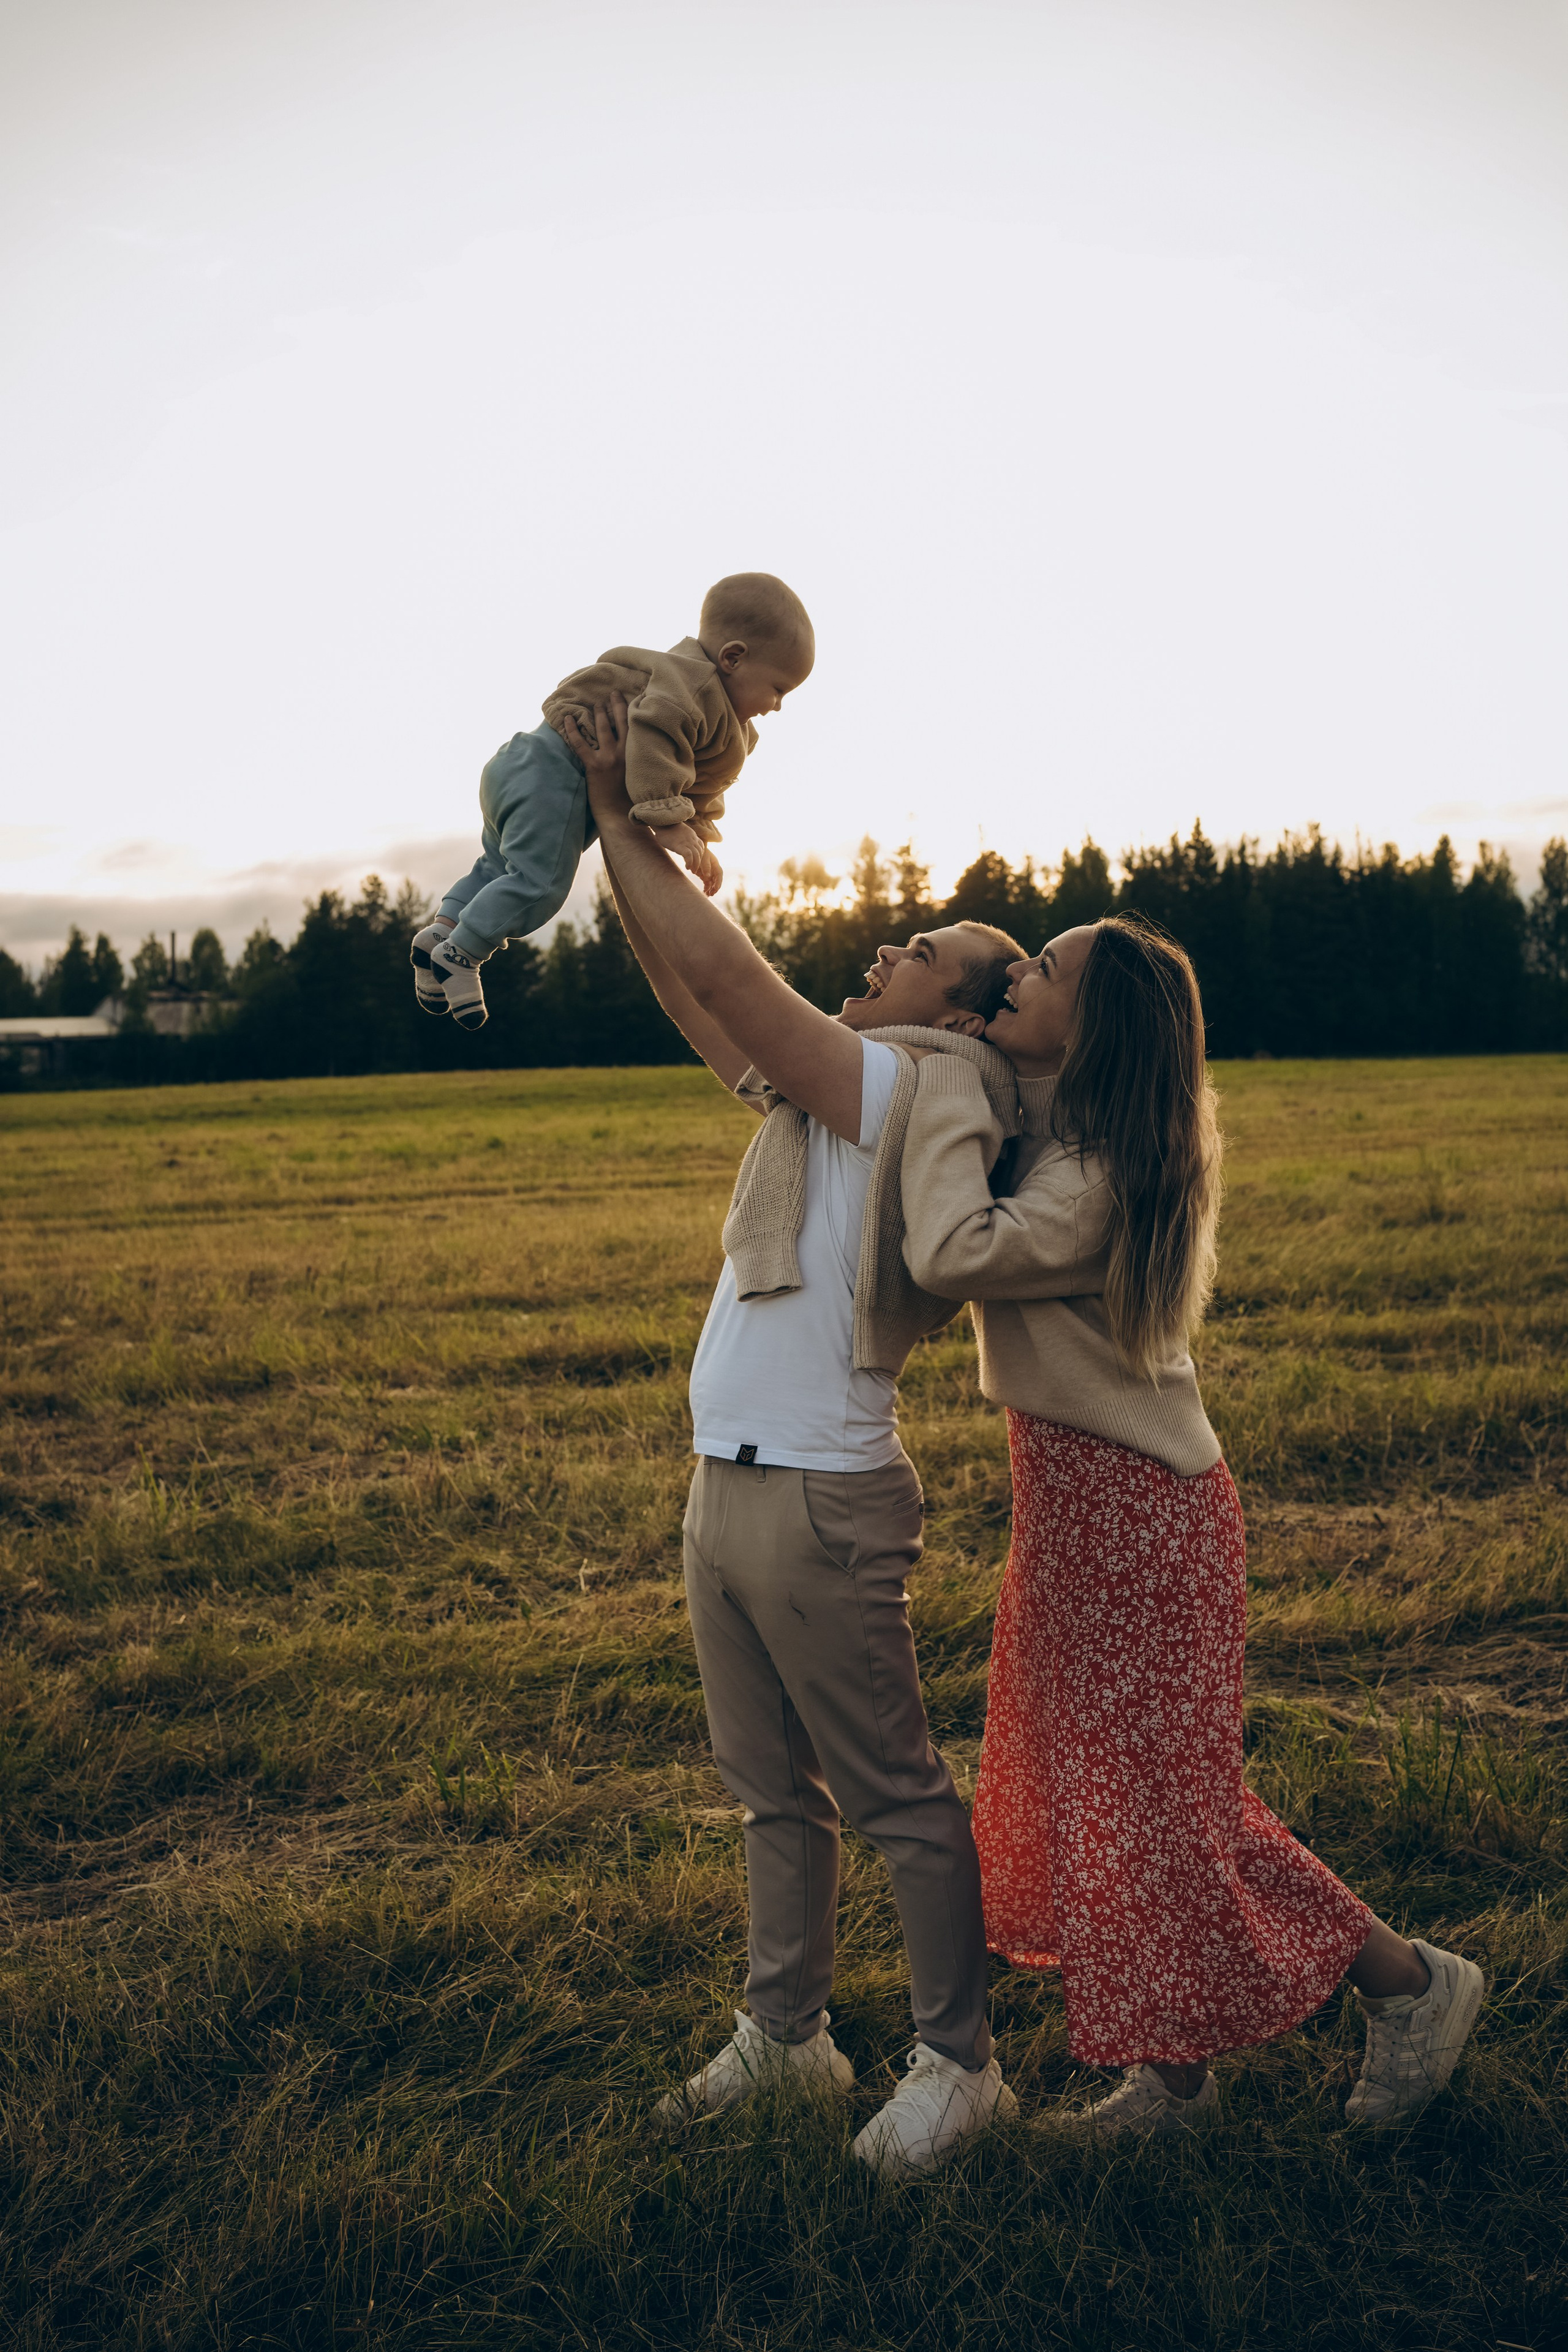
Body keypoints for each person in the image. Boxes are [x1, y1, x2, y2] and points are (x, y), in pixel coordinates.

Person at [898, 917, 1485, 2136]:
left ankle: (1410, 1985)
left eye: (1041, 971)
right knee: (1109, 1797)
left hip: (1136, 1518)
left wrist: (952, 1076)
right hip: (1076, 1505)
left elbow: (950, 1249)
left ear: (1097, 1026)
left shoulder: (1097, 1173)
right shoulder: (1071, 1138)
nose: (1015, 975)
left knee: (1170, 1810)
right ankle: (1170, 2082)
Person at [570, 693, 1024, 2177]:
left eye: (922, 953)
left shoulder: (906, 1083)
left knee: (890, 1790)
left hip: (823, 1492)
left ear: (959, 1016)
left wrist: (618, 810)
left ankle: (960, 2063)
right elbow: (693, 993)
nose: (884, 946)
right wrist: (617, 845)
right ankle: (789, 2036)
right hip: (729, 1482)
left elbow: (727, 969)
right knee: (771, 1790)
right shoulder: (820, 1095)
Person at [411, 573, 814, 1029]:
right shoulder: (692, 690)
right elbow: (655, 742)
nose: (778, 705)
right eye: (779, 689)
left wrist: (698, 832)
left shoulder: (712, 709)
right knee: (539, 884)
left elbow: (696, 781)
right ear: (733, 658)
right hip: (554, 776)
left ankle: (440, 933)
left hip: (520, 763)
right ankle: (462, 954)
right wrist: (666, 821)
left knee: (496, 867)